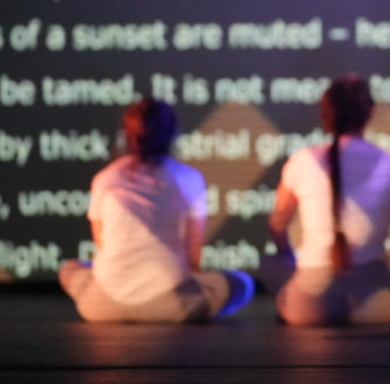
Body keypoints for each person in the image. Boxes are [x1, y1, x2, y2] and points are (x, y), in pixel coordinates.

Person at [59, 98, 254, 323]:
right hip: (169, 305)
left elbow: (101, 242)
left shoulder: (105, 179)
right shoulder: (188, 178)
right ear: (173, 134)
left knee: (71, 268)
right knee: (243, 283)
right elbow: (193, 254)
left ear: (127, 135)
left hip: (102, 307)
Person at [261, 75, 390, 326]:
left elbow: (277, 228)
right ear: (370, 113)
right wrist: (387, 267)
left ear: (326, 114)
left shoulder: (302, 160)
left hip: (309, 307)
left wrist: (295, 266)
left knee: (271, 262)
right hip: (378, 305)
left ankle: (295, 298)